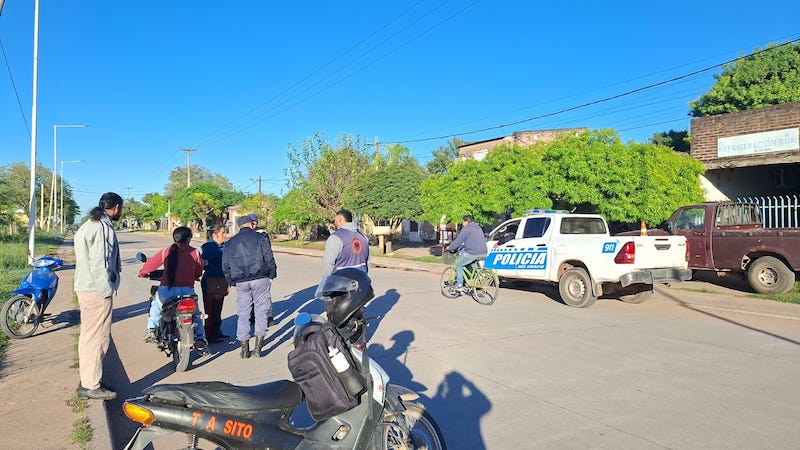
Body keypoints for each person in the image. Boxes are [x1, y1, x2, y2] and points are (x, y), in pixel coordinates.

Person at [73, 192, 123, 400]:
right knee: (97, 337)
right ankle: (91, 385)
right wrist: (106, 290)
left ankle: (91, 378)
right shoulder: (101, 227)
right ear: (117, 207)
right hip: (95, 289)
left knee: (90, 336)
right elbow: (100, 262)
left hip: (86, 287)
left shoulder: (90, 224)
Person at [140, 226, 207, 350]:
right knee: (196, 314)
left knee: (156, 307)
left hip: (167, 290)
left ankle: (151, 330)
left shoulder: (166, 251)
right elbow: (198, 271)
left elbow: (151, 264)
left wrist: (142, 273)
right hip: (187, 291)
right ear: (189, 239)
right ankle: (201, 338)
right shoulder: (195, 252)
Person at [222, 213, 277, 359]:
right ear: (251, 224)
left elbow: (226, 266)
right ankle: (258, 349)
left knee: (243, 314)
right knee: (261, 312)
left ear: (239, 226)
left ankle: (244, 349)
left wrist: (232, 281)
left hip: (241, 281)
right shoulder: (261, 238)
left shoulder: (229, 243)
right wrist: (272, 274)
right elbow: (269, 257)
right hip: (260, 278)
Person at [201, 223, 229, 343]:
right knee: (211, 309)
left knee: (218, 308)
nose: (225, 235)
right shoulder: (210, 247)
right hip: (211, 281)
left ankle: (217, 330)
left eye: (225, 232)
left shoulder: (223, 246)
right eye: (223, 233)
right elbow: (203, 263)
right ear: (214, 234)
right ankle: (209, 334)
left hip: (221, 282)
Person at [322, 209, 370, 277]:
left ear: (340, 219)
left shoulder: (336, 237)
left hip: (341, 282)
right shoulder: (363, 237)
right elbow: (367, 262)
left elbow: (328, 263)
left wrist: (326, 282)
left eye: (335, 220)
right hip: (360, 282)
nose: (334, 223)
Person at [446, 214, 488, 289]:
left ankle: (459, 284)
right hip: (483, 252)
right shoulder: (478, 228)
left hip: (473, 253)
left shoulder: (466, 229)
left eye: (463, 222)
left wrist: (450, 247)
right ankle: (476, 281)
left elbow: (458, 241)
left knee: (459, 264)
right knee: (472, 264)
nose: (462, 224)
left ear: (466, 222)